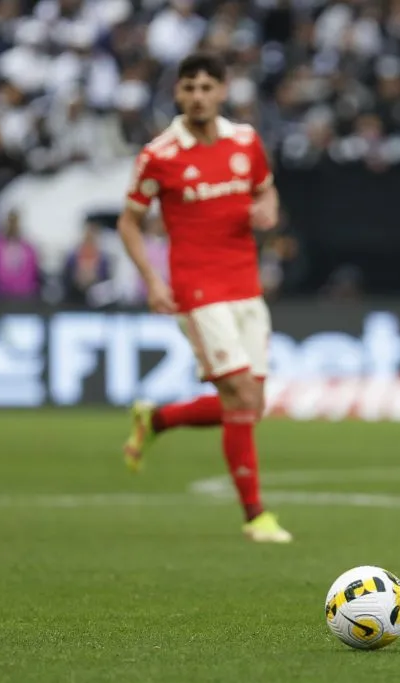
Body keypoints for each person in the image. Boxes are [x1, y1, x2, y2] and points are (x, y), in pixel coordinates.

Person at [117, 52, 291, 544]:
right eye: (188, 87)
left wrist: (267, 212)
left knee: (248, 403)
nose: (197, 96)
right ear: (177, 93)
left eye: (206, 87)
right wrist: (153, 281)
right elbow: (128, 222)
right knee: (242, 395)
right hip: (196, 290)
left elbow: (267, 192)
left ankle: (156, 419)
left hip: (245, 286)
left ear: (222, 90)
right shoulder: (160, 153)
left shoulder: (246, 142)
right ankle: (255, 515)